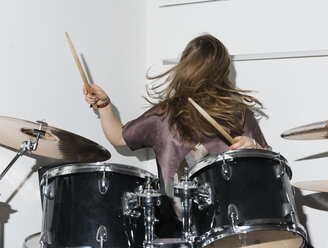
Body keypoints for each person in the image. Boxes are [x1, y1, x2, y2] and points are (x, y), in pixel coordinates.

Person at [83, 34, 269, 237]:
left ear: (184, 67)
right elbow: (120, 137)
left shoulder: (237, 113)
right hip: (184, 229)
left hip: (226, 228)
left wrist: (256, 149)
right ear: (224, 71)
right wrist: (103, 104)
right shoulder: (166, 114)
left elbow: (270, 169)